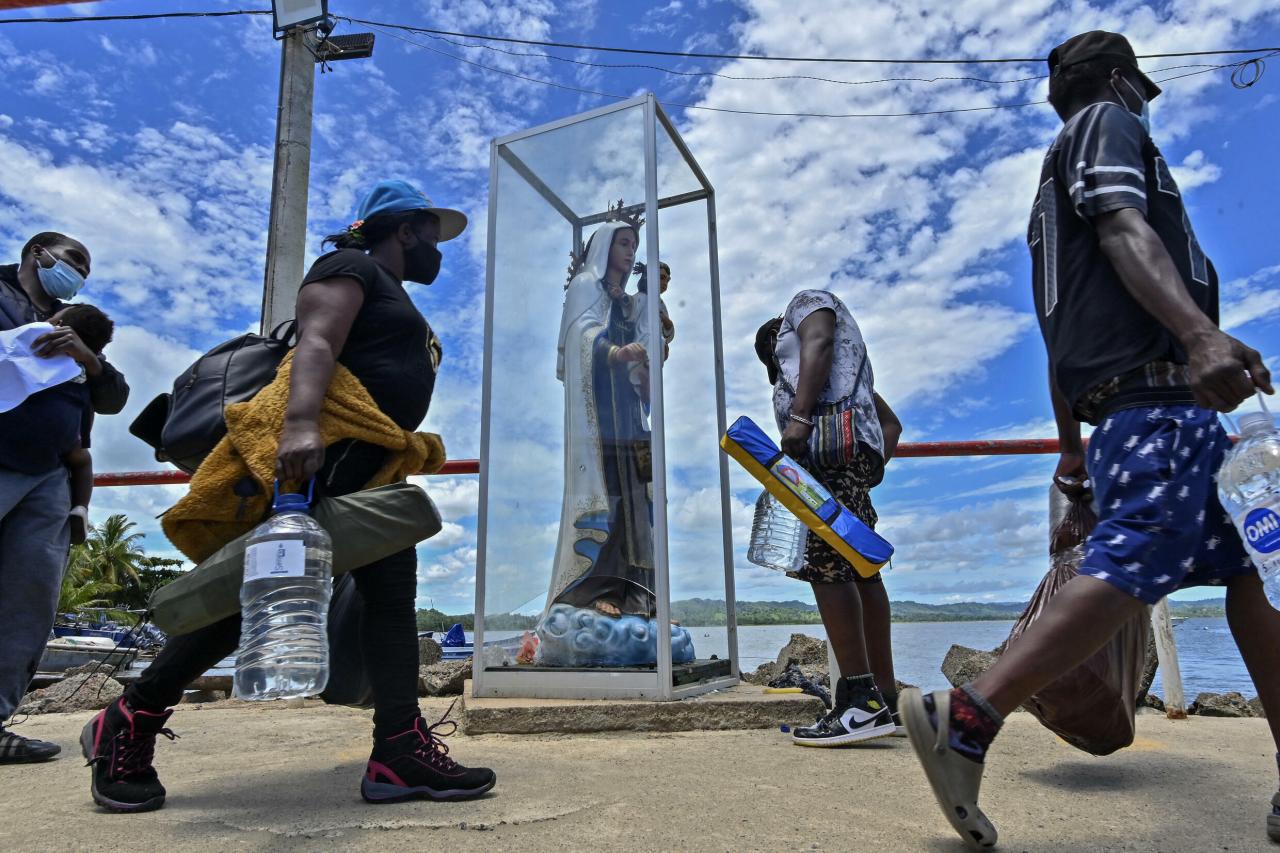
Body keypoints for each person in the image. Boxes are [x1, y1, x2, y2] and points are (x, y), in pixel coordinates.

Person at [899, 32, 1280, 850]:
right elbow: (1121, 224)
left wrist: (1072, 448)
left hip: (1131, 412)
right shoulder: (1108, 126)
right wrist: (1201, 336)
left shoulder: (1047, 194)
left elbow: (1056, 336)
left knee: (1253, 568)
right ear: (1116, 81)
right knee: (1140, 550)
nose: (1143, 100)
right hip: (1157, 404)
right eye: (1137, 87)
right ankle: (967, 716)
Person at [79, 180, 496, 812]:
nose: (441, 253)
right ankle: (129, 719)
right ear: (405, 230)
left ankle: (399, 753)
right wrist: (300, 425)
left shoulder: (391, 294)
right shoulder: (347, 266)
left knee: (390, 600)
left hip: (369, 467)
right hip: (323, 462)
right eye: (434, 239)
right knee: (250, 603)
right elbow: (317, 341)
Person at [754, 289, 904, 746]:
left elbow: (817, 338)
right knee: (863, 571)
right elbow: (891, 425)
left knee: (826, 566)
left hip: (825, 461)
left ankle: (859, 699)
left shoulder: (807, 305)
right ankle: (887, 699)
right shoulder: (850, 377)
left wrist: (798, 420)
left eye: (778, 356)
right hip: (848, 463)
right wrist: (870, 466)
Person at [0, 233, 129, 765]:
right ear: (37, 253)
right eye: (72, 258)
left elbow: (115, 398)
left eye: (85, 266)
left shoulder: (80, 326)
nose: (76, 270)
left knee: (28, 599)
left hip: (52, 473)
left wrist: (89, 359)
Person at [548, 218, 656, 622]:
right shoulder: (585, 287)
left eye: (634, 244)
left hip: (628, 416)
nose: (630, 252)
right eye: (623, 243)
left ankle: (640, 597)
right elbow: (580, 336)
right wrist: (615, 352)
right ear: (605, 246)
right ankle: (593, 590)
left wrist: (645, 365)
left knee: (636, 504)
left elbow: (643, 347)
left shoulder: (627, 301)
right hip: (599, 420)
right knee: (608, 498)